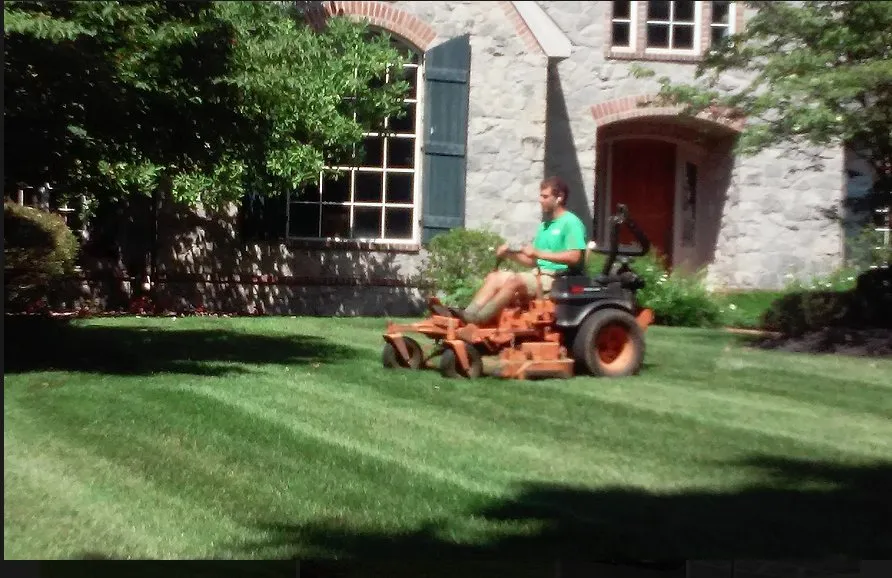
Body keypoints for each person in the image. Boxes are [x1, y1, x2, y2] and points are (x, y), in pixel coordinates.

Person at [436, 176, 588, 325]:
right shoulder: (545, 225)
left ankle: (480, 319)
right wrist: (509, 254)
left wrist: (538, 253)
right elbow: (532, 261)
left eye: (545, 196)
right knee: (494, 277)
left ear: (559, 197)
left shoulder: (571, 222)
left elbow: (574, 257)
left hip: (558, 279)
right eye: (540, 196)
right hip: (539, 275)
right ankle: (467, 315)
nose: (540, 200)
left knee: (514, 280)